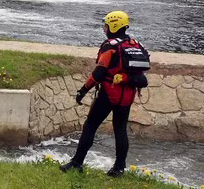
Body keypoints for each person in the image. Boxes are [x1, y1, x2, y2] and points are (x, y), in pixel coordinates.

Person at [60, 11, 149, 177]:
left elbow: (99, 73)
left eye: (106, 26)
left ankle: (77, 163)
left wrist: (83, 90)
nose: (104, 29)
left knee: (90, 125)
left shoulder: (110, 46)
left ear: (113, 26)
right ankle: (119, 168)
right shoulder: (136, 44)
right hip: (127, 95)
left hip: (109, 94)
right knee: (120, 129)